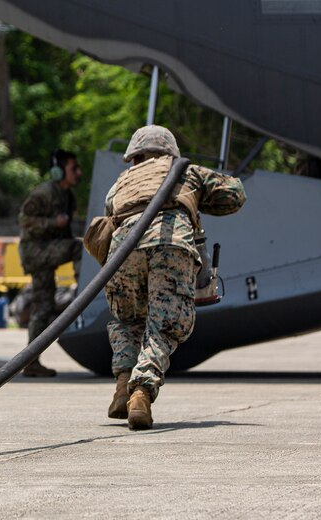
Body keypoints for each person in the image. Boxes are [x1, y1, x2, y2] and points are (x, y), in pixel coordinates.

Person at [103, 125, 246, 430]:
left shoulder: (121, 182)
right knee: (164, 324)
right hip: (170, 243)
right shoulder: (184, 172)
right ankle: (141, 392)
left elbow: (108, 215)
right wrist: (198, 199)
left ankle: (121, 385)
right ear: (170, 152)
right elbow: (235, 194)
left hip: (122, 249)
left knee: (128, 319)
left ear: (134, 156)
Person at [18, 149, 83, 377]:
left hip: (46, 251)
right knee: (78, 248)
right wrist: (52, 222)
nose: (79, 173)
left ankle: (31, 361)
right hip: (36, 251)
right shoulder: (44, 193)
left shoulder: (68, 197)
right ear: (59, 170)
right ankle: (84, 291)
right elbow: (25, 220)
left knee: (43, 308)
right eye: (73, 168)